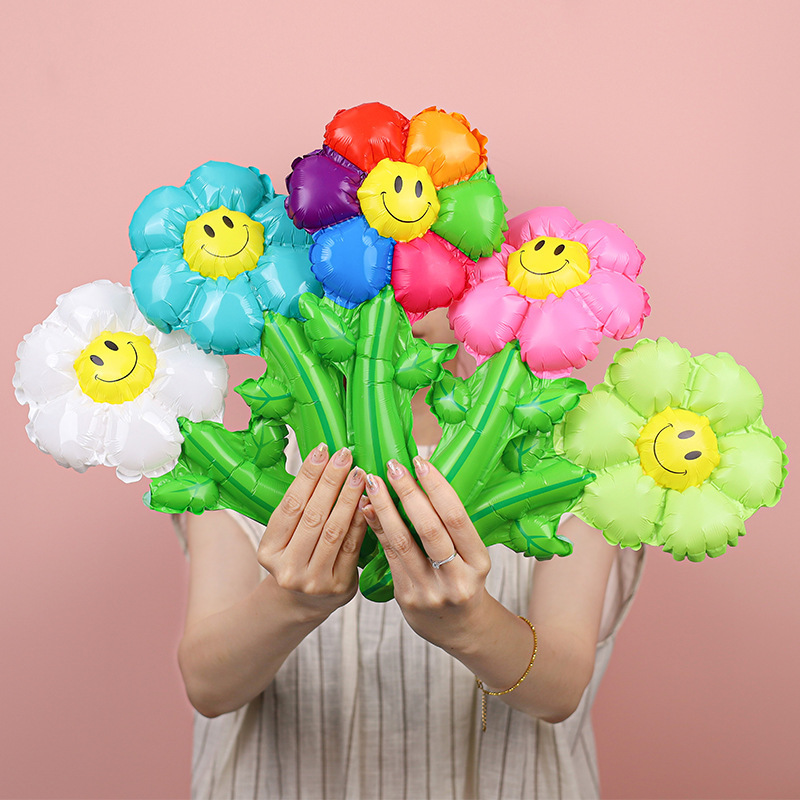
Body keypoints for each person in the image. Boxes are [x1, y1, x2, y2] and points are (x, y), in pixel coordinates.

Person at [175, 310, 644, 799]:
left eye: (425, 271)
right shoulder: (245, 470)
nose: (396, 294)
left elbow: (560, 691)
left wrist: (472, 625)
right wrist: (288, 604)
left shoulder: (566, 473)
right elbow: (209, 687)